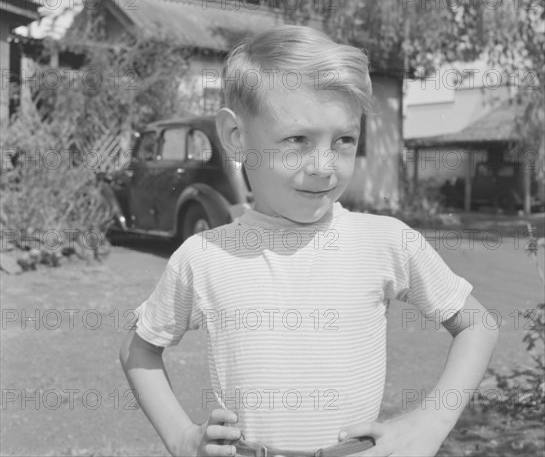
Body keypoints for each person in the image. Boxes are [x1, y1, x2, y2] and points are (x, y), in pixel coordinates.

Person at [119, 25, 498, 457]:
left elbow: (478, 325)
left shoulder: (387, 242)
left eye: (343, 140)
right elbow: (138, 347)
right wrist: (182, 438)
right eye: (297, 140)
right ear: (236, 137)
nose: (324, 166)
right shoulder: (204, 258)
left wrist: (430, 423)